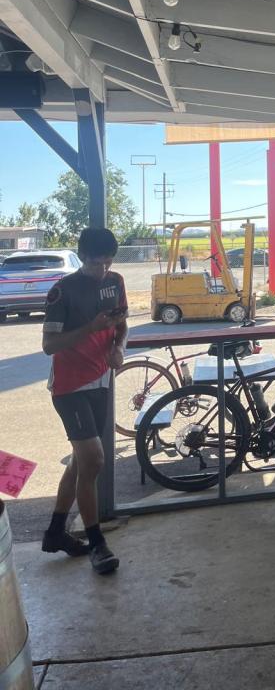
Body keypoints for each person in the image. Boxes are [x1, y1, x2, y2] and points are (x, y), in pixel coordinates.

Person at [41, 228, 128, 575]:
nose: (103, 270)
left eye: (108, 262)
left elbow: (121, 326)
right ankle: (97, 544)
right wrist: (90, 329)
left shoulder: (116, 282)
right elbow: (49, 345)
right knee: (94, 460)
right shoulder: (62, 291)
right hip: (69, 387)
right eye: (96, 263)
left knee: (81, 463)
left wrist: (118, 348)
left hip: (101, 380)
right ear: (82, 257)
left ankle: (55, 532)